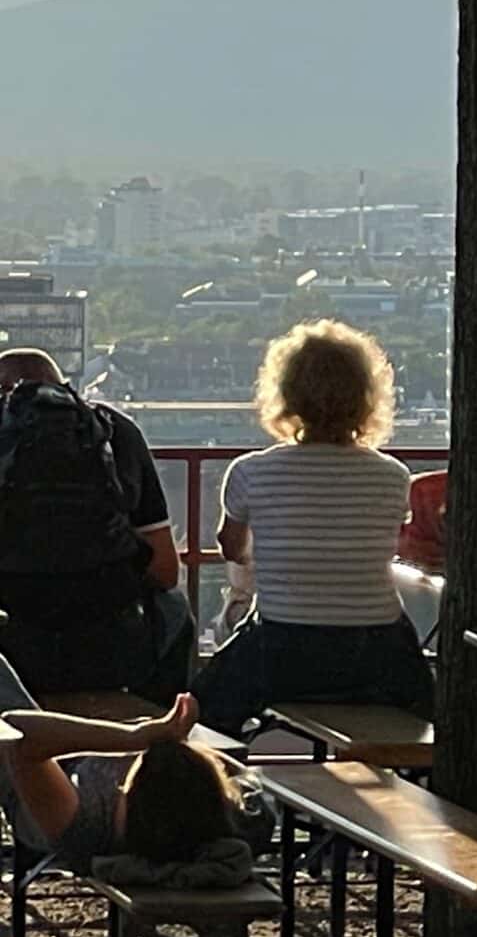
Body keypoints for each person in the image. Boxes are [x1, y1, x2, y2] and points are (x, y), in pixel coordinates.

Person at [190, 321, 432, 736]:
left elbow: (232, 549)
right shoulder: (392, 476)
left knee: (203, 712)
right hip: (375, 652)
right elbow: (386, 543)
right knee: (428, 705)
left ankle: (229, 793)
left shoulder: (251, 472)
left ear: (285, 395)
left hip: (283, 649)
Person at [0, 349, 195, 702]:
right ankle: (161, 734)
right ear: (65, 390)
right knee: (175, 608)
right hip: (111, 648)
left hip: (11, 654)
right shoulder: (115, 432)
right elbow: (165, 571)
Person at [0, 685, 242, 877]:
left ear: (128, 793)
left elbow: (17, 732)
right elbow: (241, 773)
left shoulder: (89, 826)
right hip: (70, 750)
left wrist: (134, 737)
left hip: (26, 773)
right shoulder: (233, 815)